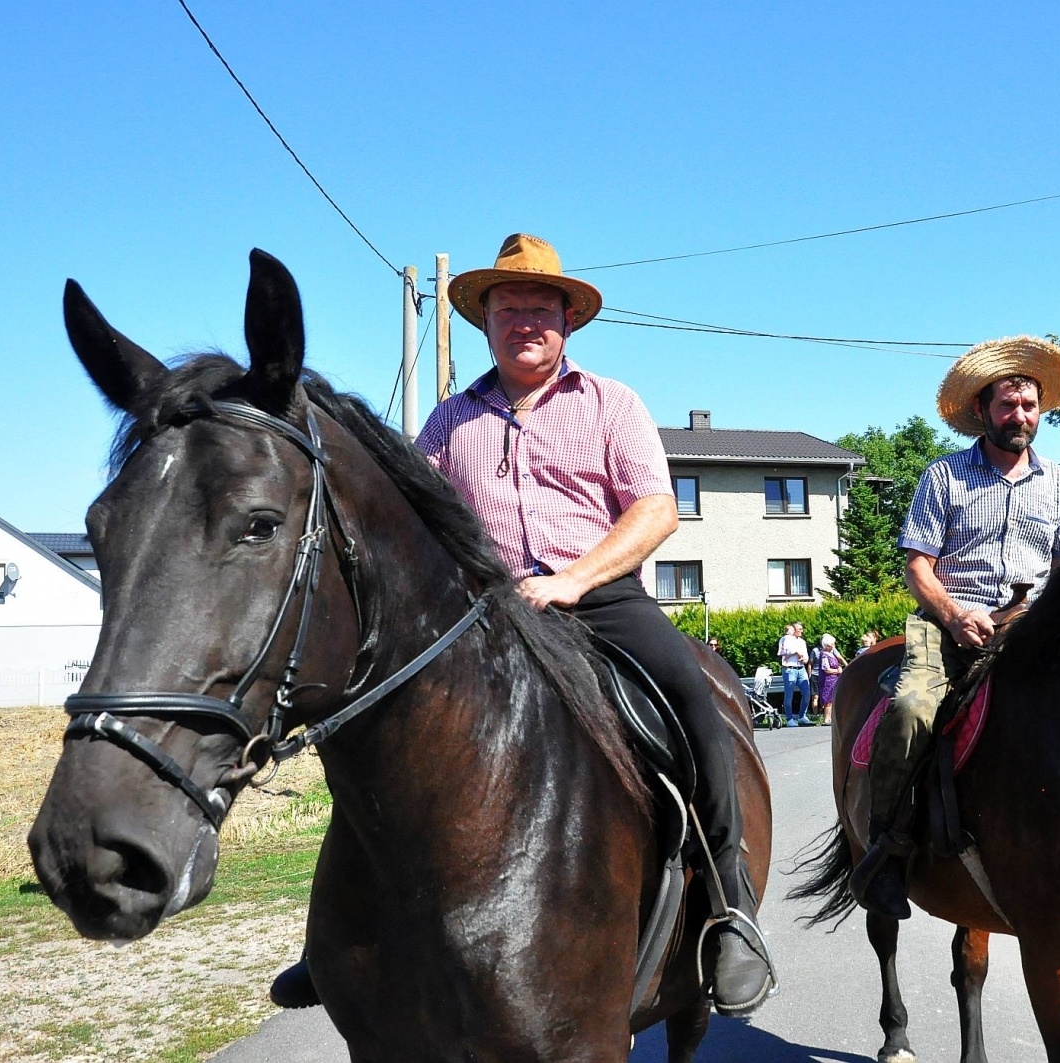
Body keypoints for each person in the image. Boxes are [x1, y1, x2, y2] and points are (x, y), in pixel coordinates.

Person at [271, 235, 773, 1013]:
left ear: (568, 321)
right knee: (373, 723)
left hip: (599, 598)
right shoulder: (448, 421)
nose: (525, 322)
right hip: (483, 615)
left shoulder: (610, 403)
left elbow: (656, 509)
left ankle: (729, 906)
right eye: (509, 309)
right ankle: (337, 931)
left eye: (541, 308)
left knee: (692, 697)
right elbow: (405, 515)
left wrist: (573, 578)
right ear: (486, 322)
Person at [850, 336, 1060, 921]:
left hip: (1034, 629)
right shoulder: (945, 476)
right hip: (949, 625)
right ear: (982, 410)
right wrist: (954, 615)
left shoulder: (1058, 482)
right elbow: (917, 566)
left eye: (1029, 406)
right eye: (1008, 405)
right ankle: (885, 849)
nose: (1020, 416)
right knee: (911, 708)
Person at [777, 623, 812, 726]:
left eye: (802, 629)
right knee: (789, 695)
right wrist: (796, 652)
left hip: (801, 668)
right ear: (794, 629)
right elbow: (783, 651)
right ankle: (789, 719)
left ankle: (802, 716)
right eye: (799, 629)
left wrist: (804, 659)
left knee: (807, 693)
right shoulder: (786, 639)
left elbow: (806, 656)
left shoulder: (802, 642)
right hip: (789, 669)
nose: (801, 631)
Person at [816, 634, 845, 725]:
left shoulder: (830, 654)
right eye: (832, 644)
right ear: (827, 645)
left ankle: (830, 718)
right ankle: (826, 719)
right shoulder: (824, 655)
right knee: (828, 699)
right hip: (827, 680)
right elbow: (826, 669)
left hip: (834, 679)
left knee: (832, 699)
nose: (834, 645)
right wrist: (837, 670)